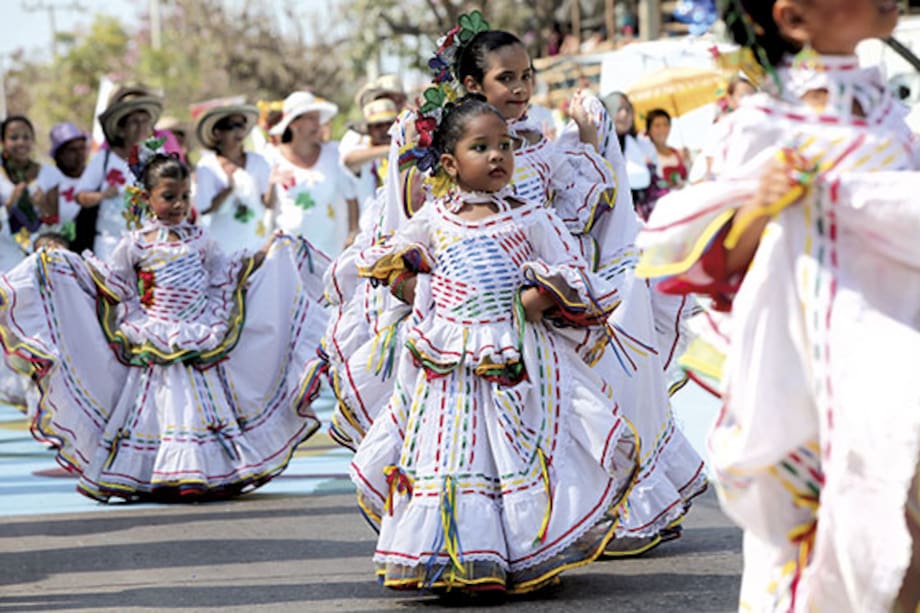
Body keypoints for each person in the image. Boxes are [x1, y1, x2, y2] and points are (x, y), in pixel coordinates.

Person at [325, 16, 705, 560]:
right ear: (474, 85)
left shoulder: (540, 144)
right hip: (463, 324)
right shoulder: (440, 152)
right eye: (508, 77)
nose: (522, 88)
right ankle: (470, 538)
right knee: (471, 439)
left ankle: (568, 523)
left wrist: (591, 141)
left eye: (527, 75)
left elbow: (571, 220)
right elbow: (420, 229)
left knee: (560, 421)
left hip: (540, 314)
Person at [635, 0, 920, 610]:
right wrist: (763, 203)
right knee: (840, 541)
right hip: (813, 375)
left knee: (904, 537)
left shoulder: (887, 114)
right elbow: (714, 262)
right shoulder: (765, 124)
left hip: (900, 360)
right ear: (794, 19)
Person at [350, 94, 638, 594]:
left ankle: (522, 551)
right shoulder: (436, 219)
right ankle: (445, 554)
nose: (497, 156)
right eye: (480, 147)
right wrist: (416, 288)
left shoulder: (532, 218)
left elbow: (574, 272)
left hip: (516, 357)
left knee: (512, 452)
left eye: (504, 145)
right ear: (449, 163)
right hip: (449, 361)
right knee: (450, 453)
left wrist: (539, 297)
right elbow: (389, 262)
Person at [0, 146, 331, 502]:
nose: (178, 204)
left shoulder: (200, 239)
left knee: (199, 403)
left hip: (198, 332)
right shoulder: (136, 243)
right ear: (146, 198)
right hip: (155, 332)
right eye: (168, 197)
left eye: (185, 196)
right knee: (159, 405)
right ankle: (160, 471)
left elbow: (223, 274)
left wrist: (265, 254)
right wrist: (68, 266)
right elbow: (114, 282)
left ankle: (206, 469)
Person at [74, 85, 163, 258]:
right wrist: (102, 196)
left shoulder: (159, 157)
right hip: (109, 247)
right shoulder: (104, 159)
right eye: (134, 122)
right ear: (121, 130)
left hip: (150, 245)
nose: (141, 127)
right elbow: (80, 196)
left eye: (145, 121)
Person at [267, 91, 359, 256]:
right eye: (311, 119)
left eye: (318, 119)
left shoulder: (333, 153)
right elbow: (265, 205)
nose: (318, 125)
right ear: (294, 123)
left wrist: (353, 233)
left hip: (330, 254)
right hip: (287, 256)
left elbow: (351, 197)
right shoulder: (271, 158)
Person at [194, 103, 272, 252]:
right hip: (222, 245)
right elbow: (204, 208)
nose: (238, 131)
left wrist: (274, 183)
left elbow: (267, 203)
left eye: (241, 125)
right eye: (231, 126)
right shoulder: (207, 166)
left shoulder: (259, 162)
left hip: (256, 242)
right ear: (217, 133)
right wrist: (229, 189)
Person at [0, 115, 60, 266]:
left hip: (37, 250)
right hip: (4, 250)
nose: (21, 142)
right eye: (14, 137)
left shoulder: (49, 173)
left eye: (26, 137)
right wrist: (9, 204)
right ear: (3, 142)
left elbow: (54, 219)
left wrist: (42, 204)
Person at [603, 92, 662, 221]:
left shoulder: (642, 145)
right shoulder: (599, 149)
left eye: (628, 109)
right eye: (619, 109)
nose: (625, 114)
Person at [347, 98, 398, 219]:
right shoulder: (364, 152)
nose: (385, 130)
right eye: (378, 125)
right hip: (370, 230)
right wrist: (390, 150)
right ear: (369, 129)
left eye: (389, 124)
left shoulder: (407, 151)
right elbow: (349, 160)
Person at [48, 121, 90, 247]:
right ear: (59, 155)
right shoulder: (49, 181)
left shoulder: (96, 177)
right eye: (72, 150)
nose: (79, 154)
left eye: (82, 148)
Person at [644, 108, 689, 190]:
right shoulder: (647, 156)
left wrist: (687, 161)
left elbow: (685, 178)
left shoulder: (676, 153)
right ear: (649, 130)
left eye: (666, 124)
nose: (662, 129)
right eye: (657, 125)